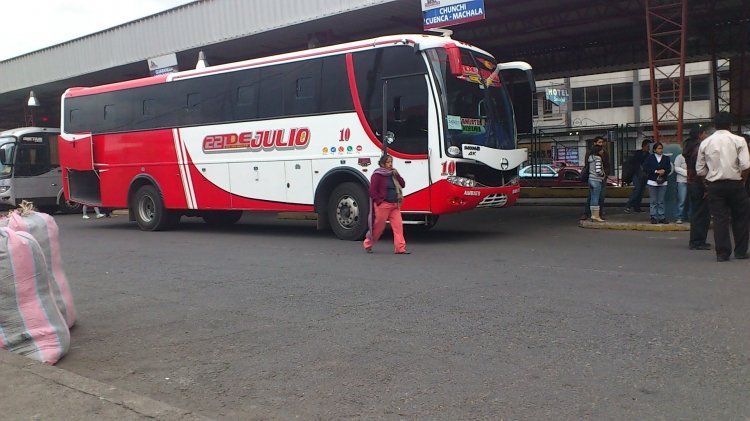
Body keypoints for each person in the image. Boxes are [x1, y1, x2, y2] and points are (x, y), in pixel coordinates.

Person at [696, 112, 750, 262]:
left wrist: (708, 183)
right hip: (736, 183)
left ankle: (722, 253)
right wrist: (743, 181)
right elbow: (746, 165)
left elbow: (700, 169)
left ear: (714, 125)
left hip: (715, 185)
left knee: (720, 219)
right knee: (741, 217)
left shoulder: (706, 143)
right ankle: (740, 251)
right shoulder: (739, 140)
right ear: (730, 124)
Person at [363, 154, 409, 254]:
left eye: (391, 162)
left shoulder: (393, 174)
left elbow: (403, 184)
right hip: (383, 205)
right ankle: (368, 244)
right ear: (382, 164)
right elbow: (372, 191)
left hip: (394, 205)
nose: (390, 164)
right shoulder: (377, 175)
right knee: (378, 228)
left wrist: (397, 174)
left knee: (398, 227)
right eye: (388, 162)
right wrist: (379, 201)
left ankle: (400, 248)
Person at [684, 126, 711, 250]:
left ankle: (697, 240)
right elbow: (700, 169)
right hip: (699, 183)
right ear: (699, 135)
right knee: (702, 213)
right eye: (705, 133)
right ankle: (697, 241)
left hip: (691, 183)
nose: (706, 135)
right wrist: (706, 188)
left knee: (697, 212)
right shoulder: (699, 148)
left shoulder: (689, 147)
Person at [580, 136, 610, 220]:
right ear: (595, 143)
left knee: (600, 196)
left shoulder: (604, 153)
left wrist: (606, 174)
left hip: (599, 177)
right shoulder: (591, 154)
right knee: (593, 196)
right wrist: (602, 174)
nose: (601, 144)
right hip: (596, 177)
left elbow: (607, 164)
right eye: (599, 142)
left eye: (602, 142)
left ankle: (598, 213)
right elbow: (589, 166)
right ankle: (590, 213)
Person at [642, 142, 672, 224]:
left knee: (661, 200)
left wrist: (664, 171)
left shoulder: (666, 158)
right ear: (655, 150)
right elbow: (645, 168)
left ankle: (662, 216)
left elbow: (669, 168)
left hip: (663, 181)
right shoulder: (650, 158)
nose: (660, 150)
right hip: (652, 181)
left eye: (661, 148)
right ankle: (653, 216)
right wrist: (655, 171)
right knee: (653, 200)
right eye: (658, 148)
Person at [624, 139, 652, 213]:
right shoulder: (637, 154)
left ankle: (637, 206)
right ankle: (628, 206)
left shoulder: (649, 155)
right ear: (644, 146)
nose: (649, 148)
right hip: (636, 174)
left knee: (641, 191)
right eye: (648, 146)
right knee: (637, 190)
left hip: (644, 175)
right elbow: (632, 164)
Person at [587, 144, 606, 222]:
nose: (602, 151)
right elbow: (598, 170)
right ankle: (596, 216)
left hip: (590, 179)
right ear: (598, 151)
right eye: (601, 150)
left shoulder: (590, 158)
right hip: (596, 180)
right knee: (596, 198)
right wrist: (603, 175)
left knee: (592, 198)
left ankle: (592, 215)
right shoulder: (598, 158)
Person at [673, 145, 688, 223]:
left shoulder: (693, 156)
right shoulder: (679, 157)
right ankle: (679, 217)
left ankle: (690, 217)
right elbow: (676, 168)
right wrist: (687, 173)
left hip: (692, 182)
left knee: (692, 200)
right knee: (681, 200)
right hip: (682, 181)